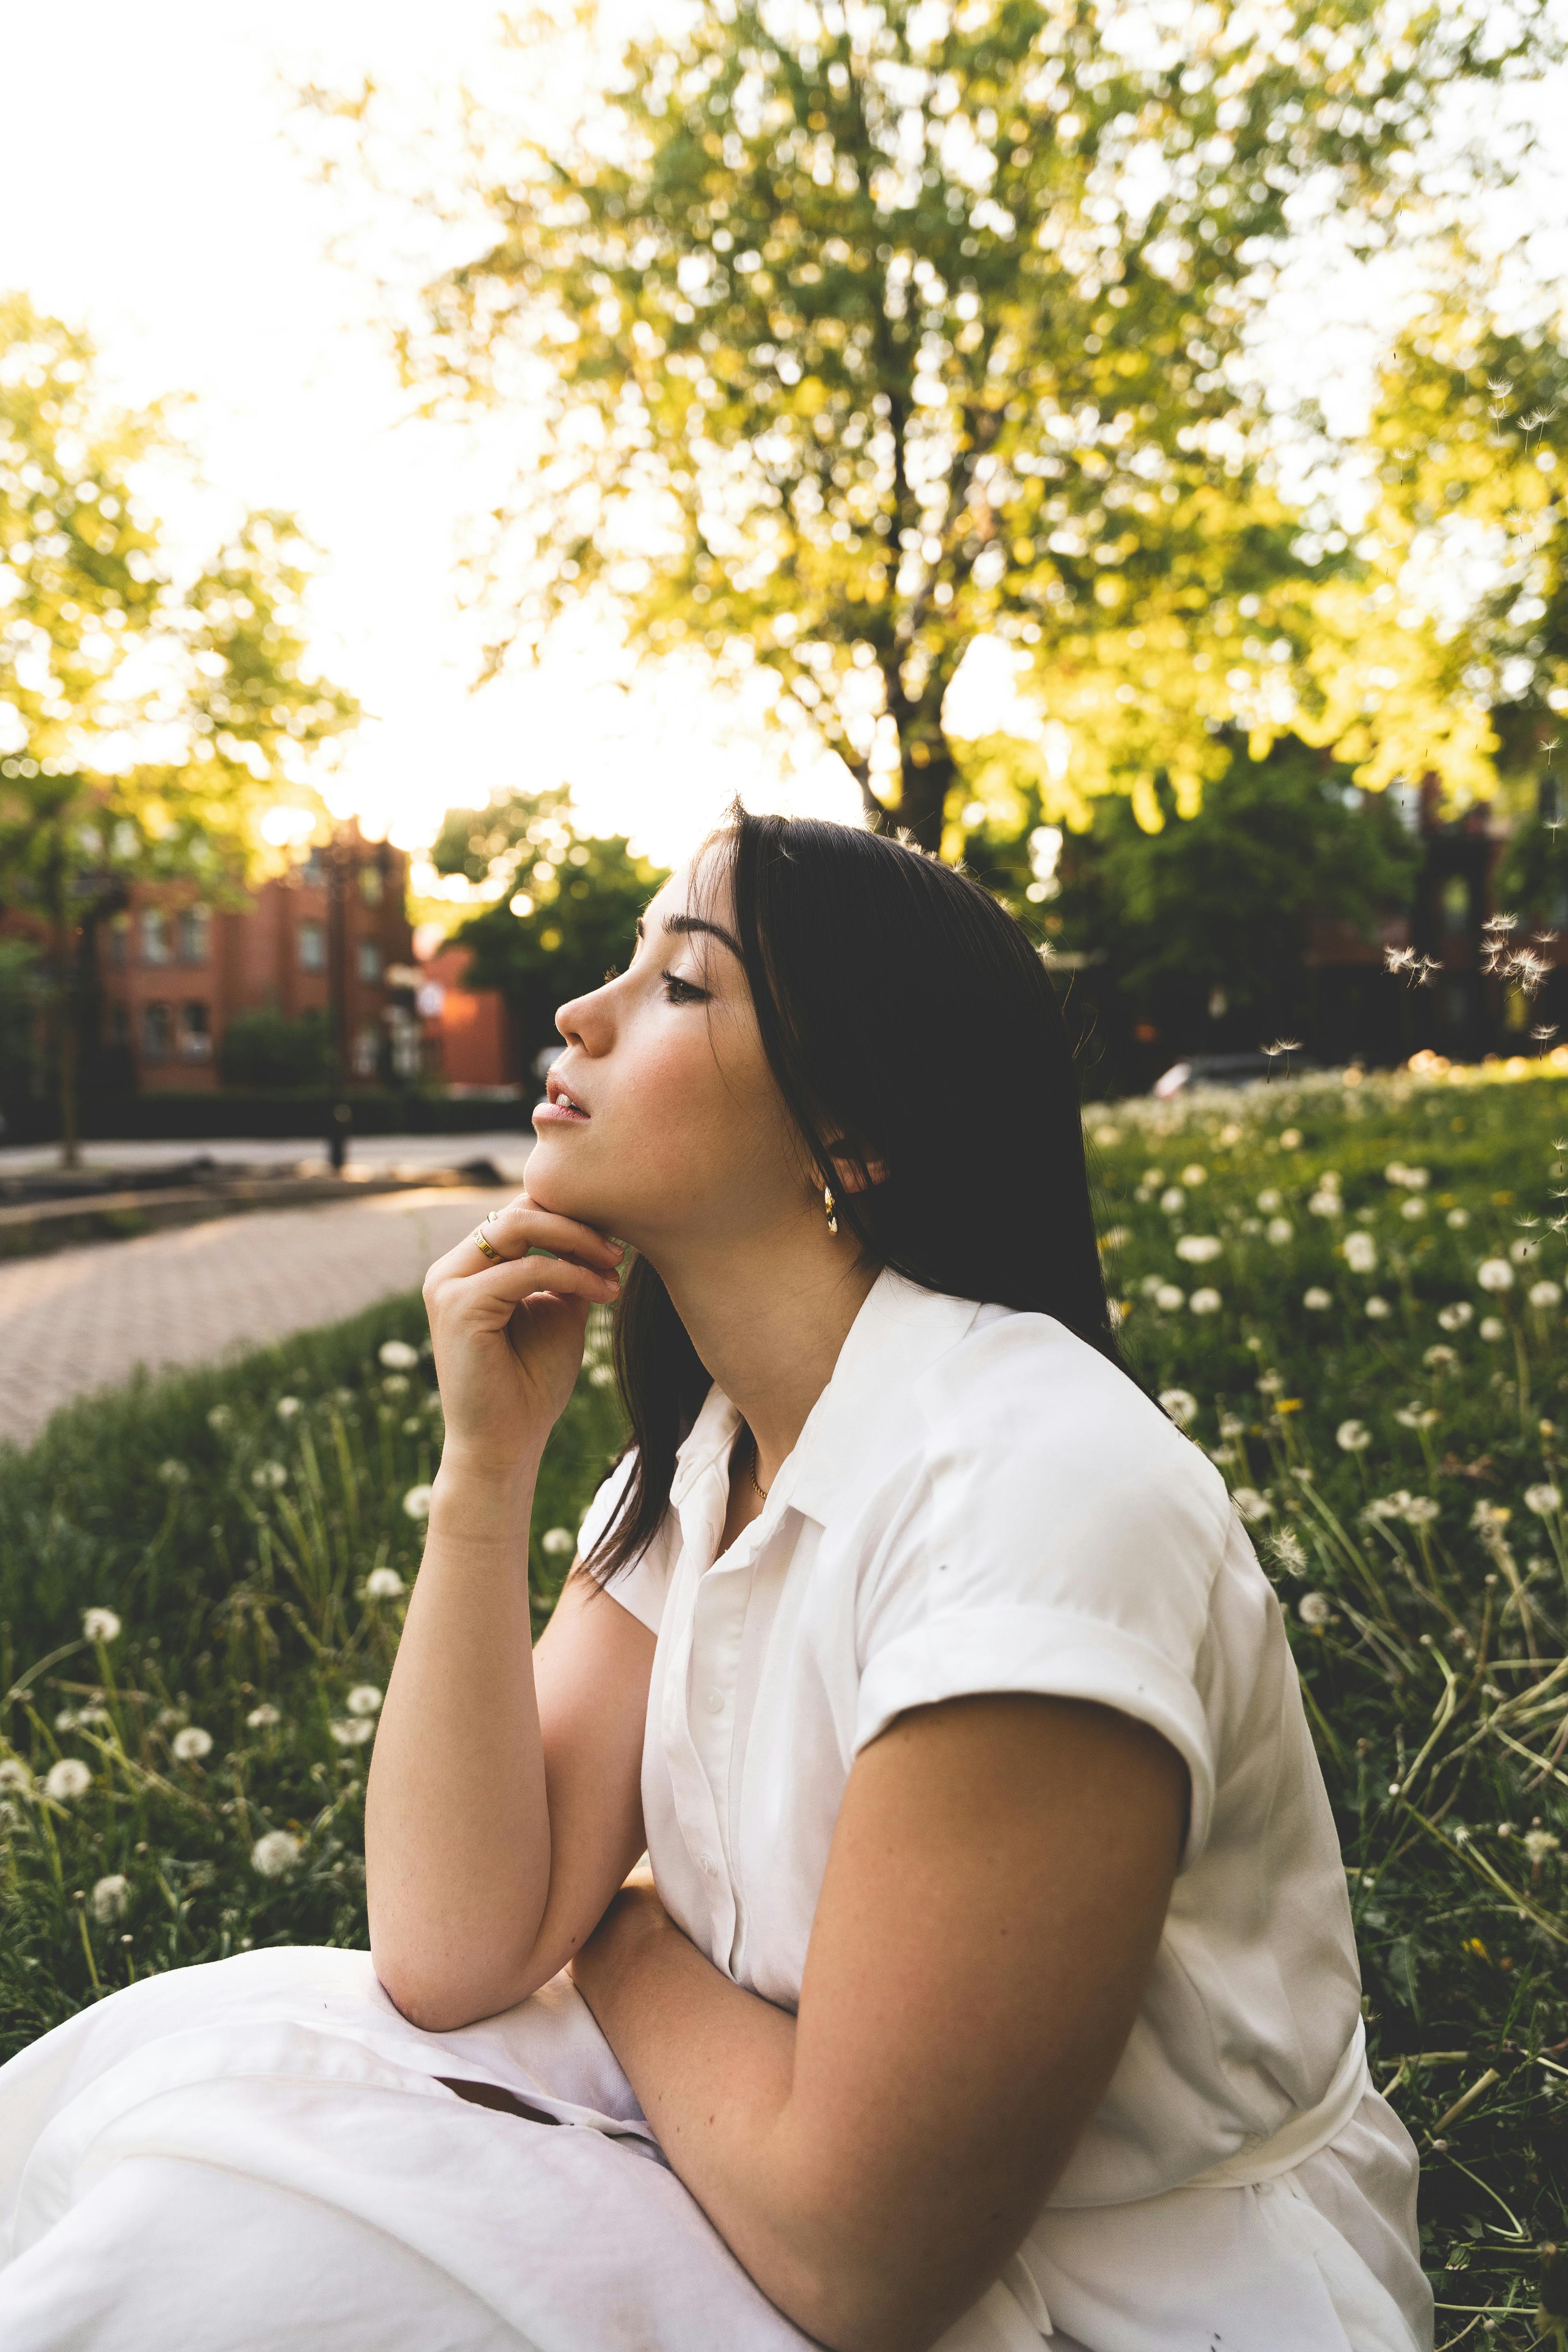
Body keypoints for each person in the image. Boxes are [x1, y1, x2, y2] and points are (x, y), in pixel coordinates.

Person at [0, 809, 1430, 2352]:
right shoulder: (711, 1456)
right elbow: (453, 1948)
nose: (579, 1013)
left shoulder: (1029, 1500)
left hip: (1112, 2300)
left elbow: (861, 2261)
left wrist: (618, 1929)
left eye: (682, 983)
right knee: (198, 2090)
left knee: (243, 2256)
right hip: (740, 2156)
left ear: (854, 1129)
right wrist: (485, 1475)